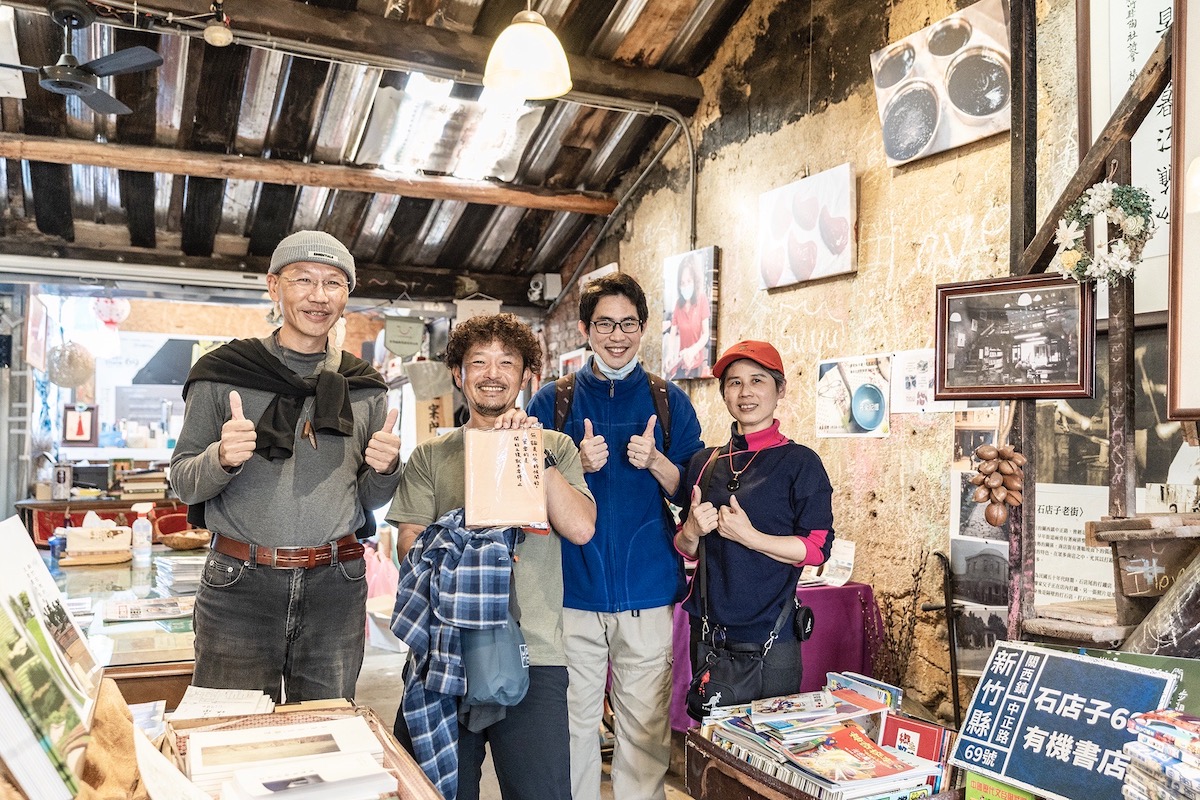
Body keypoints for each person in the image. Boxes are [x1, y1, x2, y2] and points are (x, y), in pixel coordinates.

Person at [170, 230, 402, 703]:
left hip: (336, 584)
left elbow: (368, 501)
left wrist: (386, 471)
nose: (319, 296)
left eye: (334, 283)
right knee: (232, 734)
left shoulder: (365, 388)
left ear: (346, 296)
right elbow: (182, 482)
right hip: (239, 583)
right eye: (303, 279)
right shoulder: (224, 373)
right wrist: (220, 457)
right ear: (274, 287)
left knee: (326, 735)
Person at [387, 313, 595, 800]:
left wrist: (528, 452)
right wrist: (468, 550)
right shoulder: (431, 457)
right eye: (478, 362)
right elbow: (408, 548)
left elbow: (581, 527)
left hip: (535, 652)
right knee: (430, 791)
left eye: (507, 362)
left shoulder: (556, 447)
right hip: (444, 652)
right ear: (458, 374)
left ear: (527, 376)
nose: (492, 373)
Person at [527, 273, 704, 800]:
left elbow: (690, 495)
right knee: (573, 729)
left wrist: (657, 463)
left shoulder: (670, 402)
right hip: (570, 593)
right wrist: (571, 466)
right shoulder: (551, 402)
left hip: (647, 594)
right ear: (585, 328)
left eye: (628, 323)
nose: (617, 335)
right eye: (604, 323)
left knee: (644, 734)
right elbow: (522, 497)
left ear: (644, 328)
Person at [675, 340, 835, 700]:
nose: (745, 392)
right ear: (724, 394)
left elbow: (816, 549)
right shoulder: (705, 463)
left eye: (757, 380)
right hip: (708, 634)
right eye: (734, 382)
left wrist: (750, 537)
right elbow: (687, 550)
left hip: (772, 636)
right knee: (712, 747)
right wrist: (691, 531)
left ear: (780, 390)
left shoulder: (800, 463)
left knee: (766, 748)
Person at [665, 251, 712, 380]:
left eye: (688, 281)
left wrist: (693, 350)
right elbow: (672, 334)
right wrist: (669, 355)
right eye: (682, 283)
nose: (685, 286)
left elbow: (706, 334)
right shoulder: (678, 305)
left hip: (697, 361)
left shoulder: (702, 300)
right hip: (682, 361)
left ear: (695, 281)